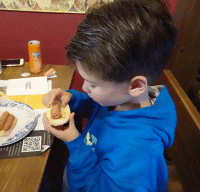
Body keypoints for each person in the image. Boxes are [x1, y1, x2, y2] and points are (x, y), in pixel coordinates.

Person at [42, 0, 177, 191]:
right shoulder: (127, 98)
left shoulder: (138, 151)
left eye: (93, 84)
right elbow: (100, 107)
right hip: (84, 166)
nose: (84, 87)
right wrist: (73, 99)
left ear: (136, 85)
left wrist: (75, 143)